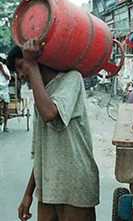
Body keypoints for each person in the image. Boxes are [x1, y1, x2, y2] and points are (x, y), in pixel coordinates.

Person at [7, 41, 99, 221]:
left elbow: (50, 113)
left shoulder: (72, 79)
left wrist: (31, 64)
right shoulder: (41, 95)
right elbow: (43, 153)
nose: (21, 75)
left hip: (75, 188)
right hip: (48, 190)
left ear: (37, 58)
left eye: (20, 66)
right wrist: (28, 194)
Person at [0, 56, 10, 131]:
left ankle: (5, 126)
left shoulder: (5, 67)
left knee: (6, 108)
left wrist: (2, 70)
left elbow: (8, 77)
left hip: (5, 89)